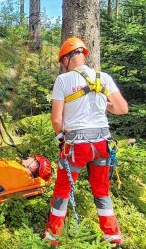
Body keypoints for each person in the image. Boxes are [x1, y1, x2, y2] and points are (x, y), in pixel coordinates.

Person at [44, 37, 128, 247]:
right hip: (102, 144)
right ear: (82, 54)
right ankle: (112, 235)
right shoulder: (104, 78)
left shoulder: (63, 80)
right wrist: (103, 106)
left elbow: (56, 120)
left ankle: (52, 236)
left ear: (66, 59)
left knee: (62, 190)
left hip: (76, 145)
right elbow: (122, 109)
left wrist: (61, 137)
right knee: (101, 190)